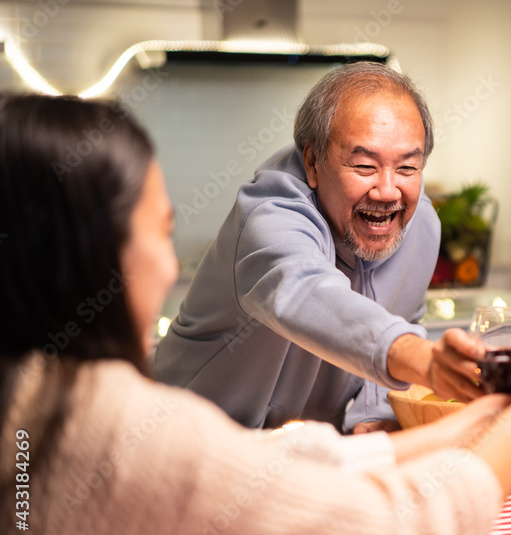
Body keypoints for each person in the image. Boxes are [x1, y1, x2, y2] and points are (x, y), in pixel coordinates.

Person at [0, 94, 511, 535]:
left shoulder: (32, 394)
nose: (174, 265)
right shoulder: (136, 434)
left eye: (408, 165)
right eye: (161, 229)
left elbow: (280, 459)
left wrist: (481, 420)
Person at [152, 62, 482, 434]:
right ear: (313, 162)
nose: (388, 191)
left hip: (305, 458)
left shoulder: (420, 223)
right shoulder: (268, 215)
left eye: (407, 168)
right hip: (182, 442)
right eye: (363, 165)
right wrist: (423, 357)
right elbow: (304, 291)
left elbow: (401, 322)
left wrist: (368, 417)